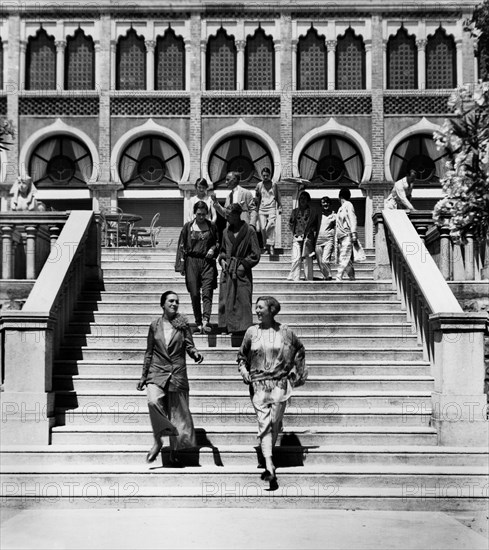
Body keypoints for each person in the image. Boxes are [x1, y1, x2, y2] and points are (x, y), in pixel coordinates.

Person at [238, 296, 307, 491]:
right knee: (264, 422)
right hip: (258, 384)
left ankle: (267, 449)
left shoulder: (285, 332)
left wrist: (296, 373)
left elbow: (299, 349)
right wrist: (244, 372)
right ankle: (269, 465)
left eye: (261, 308)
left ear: (271, 310)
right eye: (256, 308)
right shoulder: (251, 332)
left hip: (279, 383)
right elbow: (241, 357)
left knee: (275, 420)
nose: (257, 311)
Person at [136, 291, 204, 467]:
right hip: (157, 372)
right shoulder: (154, 325)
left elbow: (189, 345)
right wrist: (144, 376)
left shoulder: (183, 325)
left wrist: (195, 353)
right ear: (163, 304)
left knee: (176, 415)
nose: (174, 304)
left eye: (177, 302)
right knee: (153, 401)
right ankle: (158, 441)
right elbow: (149, 352)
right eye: (171, 301)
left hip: (177, 373)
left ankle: (174, 450)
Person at [175, 201, 219, 334]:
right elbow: (181, 246)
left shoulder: (212, 227)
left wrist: (212, 249)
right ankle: (198, 322)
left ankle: (206, 320)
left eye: (204, 214)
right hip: (192, 262)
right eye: (199, 214)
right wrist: (181, 265)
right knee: (194, 293)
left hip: (207, 262)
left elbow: (217, 243)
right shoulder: (188, 227)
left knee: (207, 291)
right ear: (195, 213)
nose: (201, 217)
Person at [218, 203, 261, 334]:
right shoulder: (225, 232)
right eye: (226, 215)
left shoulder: (249, 231)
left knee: (243, 299)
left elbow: (255, 254)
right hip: (228, 270)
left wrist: (243, 266)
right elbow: (222, 251)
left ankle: (243, 328)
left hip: (242, 271)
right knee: (226, 299)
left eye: (229, 215)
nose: (227, 218)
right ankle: (227, 326)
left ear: (237, 215)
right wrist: (223, 260)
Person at [287, 191, 320, 281]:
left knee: (307, 260)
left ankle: (308, 279)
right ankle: (295, 278)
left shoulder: (312, 212)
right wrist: (291, 221)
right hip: (297, 237)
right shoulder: (295, 211)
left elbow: (316, 225)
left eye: (304, 198)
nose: (302, 200)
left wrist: (312, 230)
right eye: (301, 198)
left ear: (308, 200)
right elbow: (290, 225)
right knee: (296, 258)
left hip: (308, 238)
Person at [255, 167, 282, 256]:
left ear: (270, 175)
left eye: (267, 175)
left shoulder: (274, 185)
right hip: (262, 208)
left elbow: (278, 196)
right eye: (263, 176)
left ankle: (270, 245)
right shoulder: (259, 185)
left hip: (271, 207)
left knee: (271, 225)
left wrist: (280, 206)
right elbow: (257, 198)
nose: (265, 177)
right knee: (263, 228)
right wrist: (256, 208)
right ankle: (266, 246)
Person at [335, 188, 358, 281]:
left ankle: (338, 276)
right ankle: (352, 277)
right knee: (347, 259)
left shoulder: (348, 205)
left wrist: (354, 234)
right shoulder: (341, 208)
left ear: (339, 197)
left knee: (343, 257)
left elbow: (353, 219)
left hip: (347, 236)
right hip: (341, 237)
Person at [315, 196, 336, 280]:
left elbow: (338, 227)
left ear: (330, 204)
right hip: (318, 241)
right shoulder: (318, 215)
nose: (325, 204)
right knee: (320, 262)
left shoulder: (334, 215)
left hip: (328, 240)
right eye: (323, 202)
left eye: (327, 202)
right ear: (321, 204)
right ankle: (326, 276)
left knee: (325, 260)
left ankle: (328, 276)